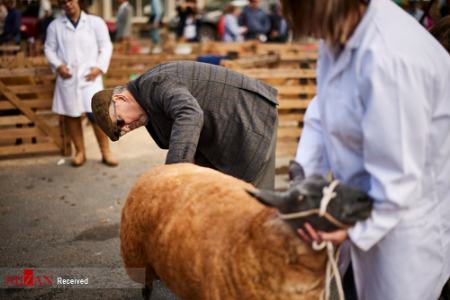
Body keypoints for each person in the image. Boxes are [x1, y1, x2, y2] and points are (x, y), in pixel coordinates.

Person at [280, 0, 450, 299]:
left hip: (404, 227)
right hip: (360, 205)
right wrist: (304, 186)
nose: (309, 31)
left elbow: (398, 174)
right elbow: (322, 115)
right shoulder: (339, 34)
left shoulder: (392, 57)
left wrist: (352, 231)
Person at [91, 61, 278, 189]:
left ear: (120, 98)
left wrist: (174, 174)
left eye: (120, 122)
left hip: (252, 118)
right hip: (231, 129)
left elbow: (190, 114)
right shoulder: (146, 96)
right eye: (120, 131)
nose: (125, 129)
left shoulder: (156, 83)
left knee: (257, 207)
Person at [45, 0, 117, 167]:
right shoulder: (55, 26)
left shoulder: (95, 22)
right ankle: (80, 152)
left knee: (96, 114)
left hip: (90, 77)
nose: (67, 4)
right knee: (72, 114)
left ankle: (106, 151)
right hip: (68, 78)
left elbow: (106, 45)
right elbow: (49, 48)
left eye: (70, 0)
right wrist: (58, 65)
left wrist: (99, 67)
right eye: (63, 2)